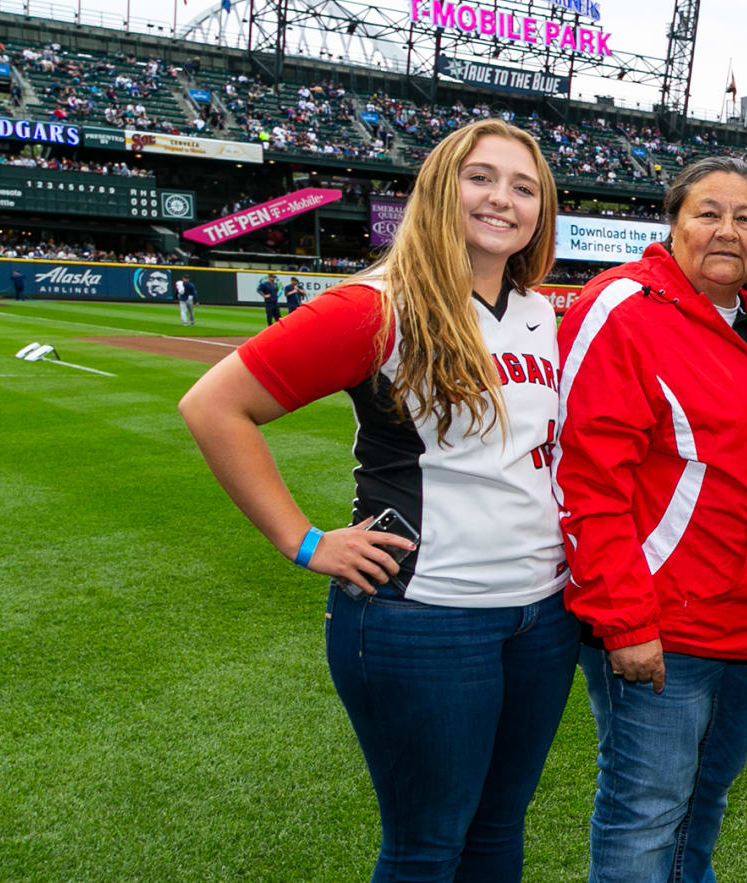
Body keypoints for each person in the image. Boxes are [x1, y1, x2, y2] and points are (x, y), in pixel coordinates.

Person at [177, 118, 575, 881]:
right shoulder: (376, 304)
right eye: (481, 177)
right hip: (422, 618)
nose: (503, 199)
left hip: (539, 617)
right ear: (439, 188)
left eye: (525, 187)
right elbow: (214, 406)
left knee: (497, 831)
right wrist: (304, 540)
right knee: (428, 844)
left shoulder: (536, 309)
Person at [555, 155, 747, 883]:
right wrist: (626, 622)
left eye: (745, 218)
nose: (727, 230)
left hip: (745, 624)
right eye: (708, 213)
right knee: (646, 812)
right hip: (663, 623)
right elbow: (587, 478)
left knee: (701, 807)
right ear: (673, 223)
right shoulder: (624, 307)